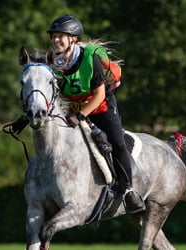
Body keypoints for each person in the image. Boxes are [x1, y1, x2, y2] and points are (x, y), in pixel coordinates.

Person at [46, 14, 145, 214]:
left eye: (60, 36)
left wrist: (80, 115)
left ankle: (128, 190)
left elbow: (99, 94)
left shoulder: (90, 57)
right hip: (73, 110)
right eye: (54, 36)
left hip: (101, 108)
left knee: (117, 142)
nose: (56, 40)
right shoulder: (53, 62)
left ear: (73, 39)